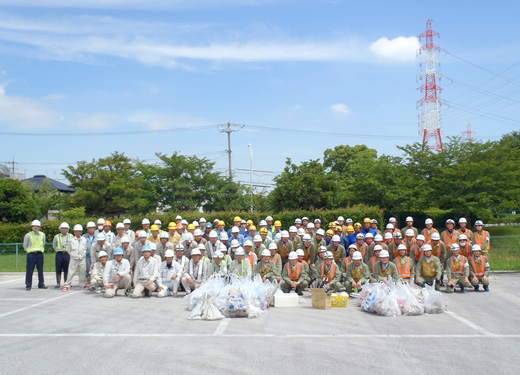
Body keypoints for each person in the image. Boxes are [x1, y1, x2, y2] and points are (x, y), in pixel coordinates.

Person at [62, 224, 89, 291]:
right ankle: (67, 284)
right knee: (71, 272)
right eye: (76, 231)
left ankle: (82, 284)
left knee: (82, 272)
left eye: (79, 231)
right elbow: (68, 249)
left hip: (82, 258)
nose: (78, 233)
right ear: (74, 232)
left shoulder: (84, 239)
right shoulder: (71, 240)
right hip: (74, 258)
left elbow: (85, 248)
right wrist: (72, 254)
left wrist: (83, 254)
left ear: (81, 232)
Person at [23, 220, 47, 291]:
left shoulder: (42, 234)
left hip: (40, 254)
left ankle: (41, 284)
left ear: (39, 227)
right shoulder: (28, 235)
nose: (36, 228)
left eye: (37, 226)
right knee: (30, 270)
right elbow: (25, 245)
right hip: (31, 254)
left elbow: (44, 243)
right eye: (34, 226)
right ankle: (28, 284)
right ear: (32, 227)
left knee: (40, 270)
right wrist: (28, 251)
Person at [53, 222, 71, 288]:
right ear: (60, 229)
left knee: (67, 269)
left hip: (67, 254)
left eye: (65, 228)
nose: (64, 230)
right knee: (58, 268)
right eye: (62, 228)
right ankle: (58, 283)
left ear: (68, 229)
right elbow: (54, 246)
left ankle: (66, 282)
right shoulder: (56, 236)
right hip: (59, 254)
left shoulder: (70, 236)